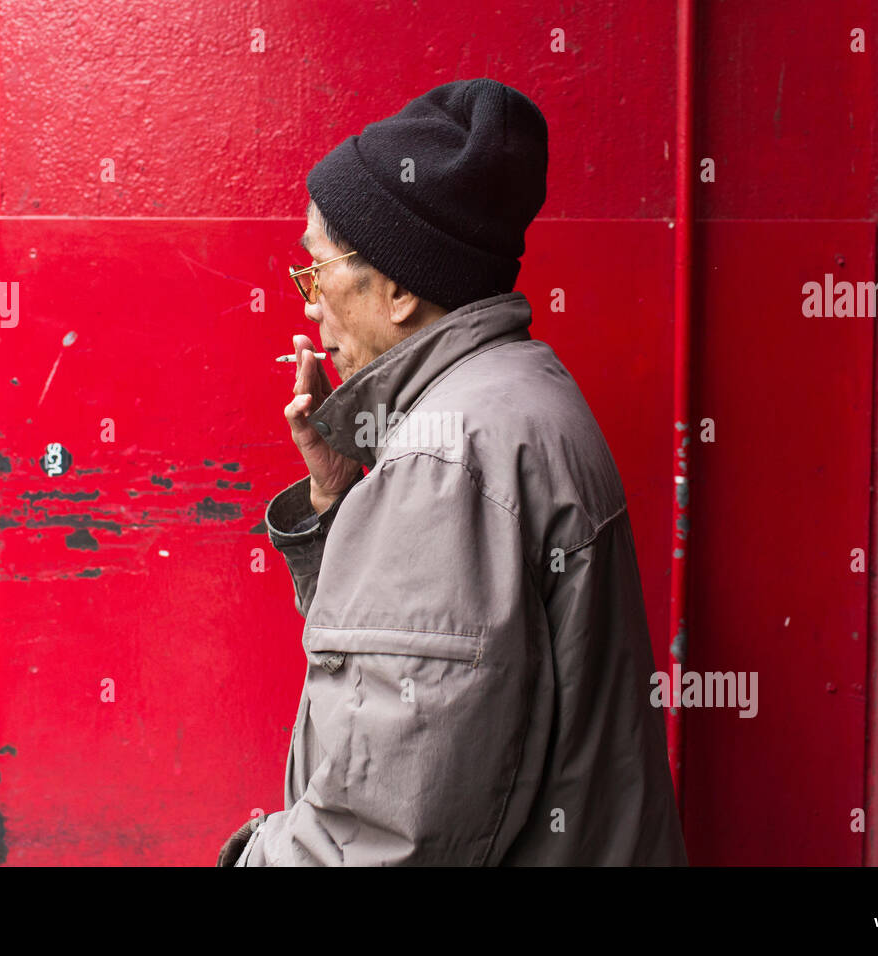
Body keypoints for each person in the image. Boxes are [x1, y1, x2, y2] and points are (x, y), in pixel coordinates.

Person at [218, 79, 687, 866]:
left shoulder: (445, 463)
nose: (310, 307)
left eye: (316, 271)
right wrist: (338, 495)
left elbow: (385, 830)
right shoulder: (520, 389)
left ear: (398, 286)